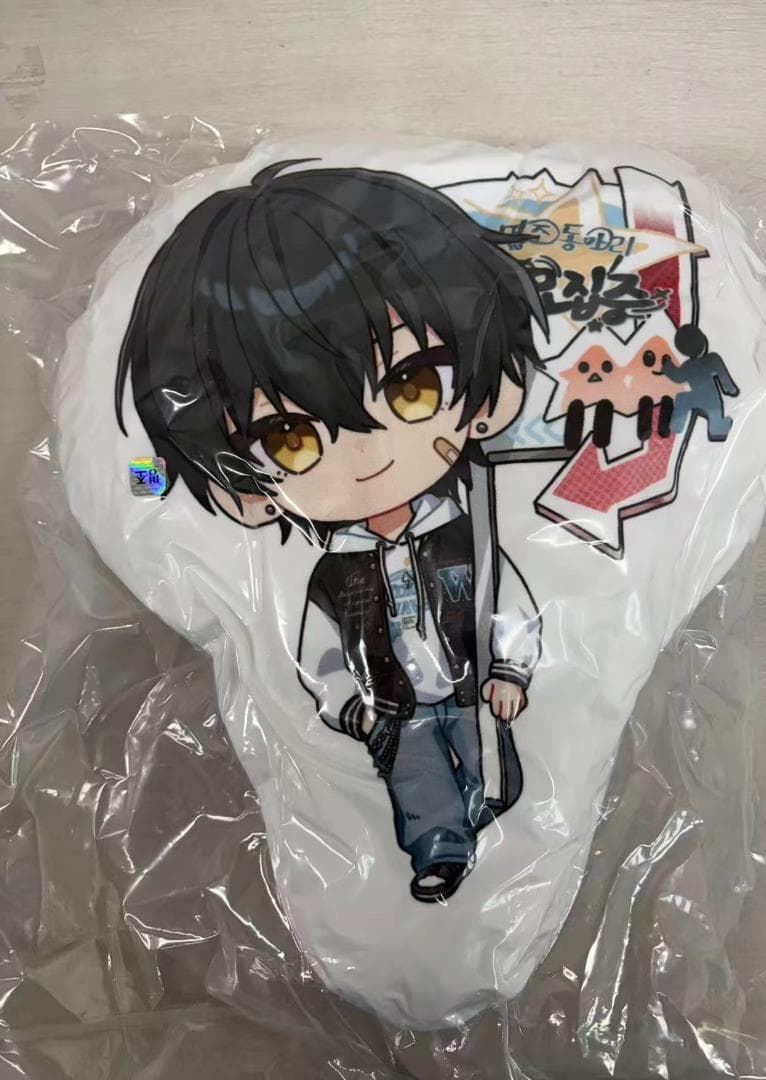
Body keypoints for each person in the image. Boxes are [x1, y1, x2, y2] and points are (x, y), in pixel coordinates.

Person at [116, 161, 546, 903]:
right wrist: (347, 706)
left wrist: (509, 672)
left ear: (489, 394)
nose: (369, 451)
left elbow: (508, 602)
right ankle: (439, 852)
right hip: (394, 709)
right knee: (417, 780)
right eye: (288, 438)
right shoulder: (333, 572)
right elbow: (320, 648)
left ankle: (481, 825)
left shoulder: (466, 538)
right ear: (242, 489)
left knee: (483, 772)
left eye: (412, 385)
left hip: (471, 689)